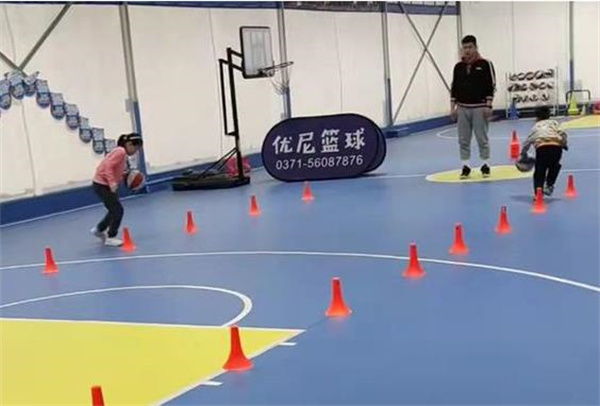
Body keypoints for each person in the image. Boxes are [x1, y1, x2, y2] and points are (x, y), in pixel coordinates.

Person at [450, 35, 496, 179]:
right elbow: (454, 88)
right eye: (465, 48)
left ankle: (485, 165)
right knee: (463, 139)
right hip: (462, 108)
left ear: (476, 47)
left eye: (470, 47)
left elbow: (491, 85)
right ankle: (466, 166)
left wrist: (488, 105)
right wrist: (452, 108)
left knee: (482, 138)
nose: (467, 50)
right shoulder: (458, 67)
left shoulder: (485, 64)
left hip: (480, 107)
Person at [90, 133, 143, 246]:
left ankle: (99, 229)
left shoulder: (120, 152)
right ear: (129, 144)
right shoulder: (121, 152)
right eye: (136, 148)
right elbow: (108, 166)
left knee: (113, 210)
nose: (135, 152)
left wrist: (125, 175)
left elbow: (114, 168)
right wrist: (112, 182)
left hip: (101, 184)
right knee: (118, 210)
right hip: (102, 185)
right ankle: (111, 237)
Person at [520, 106, 568, 197]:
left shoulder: (536, 126)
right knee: (555, 166)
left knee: (540, 171)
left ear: (536, 117)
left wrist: (523, 153)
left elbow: (528, 141)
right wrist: (564, 143)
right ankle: (549, 185)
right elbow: (563, 133)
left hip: (542, 149)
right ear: (549, 115)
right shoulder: (554, 123)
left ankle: (538, 193)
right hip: (556, 147)